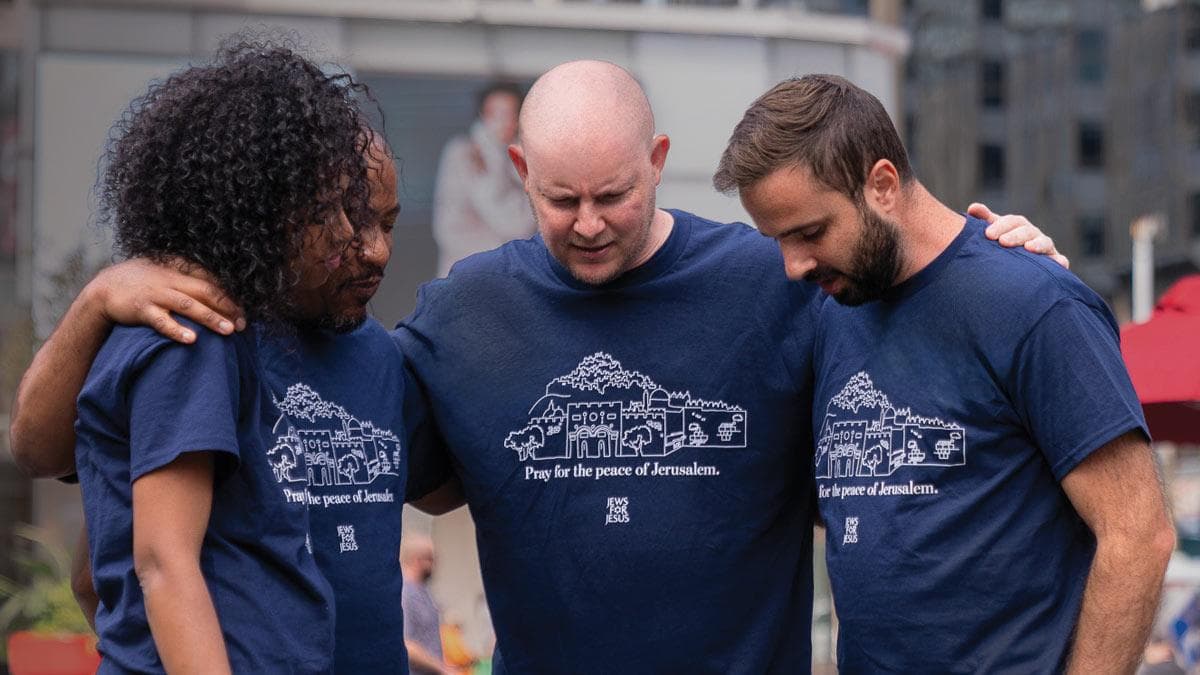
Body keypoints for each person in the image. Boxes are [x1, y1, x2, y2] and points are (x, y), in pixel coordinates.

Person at [11, 60, 1060, 673]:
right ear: (518, 174)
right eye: (561, 200)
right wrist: (101, 299)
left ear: (657, 163)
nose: (591, 224)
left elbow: (903, 333)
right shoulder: (452, 316)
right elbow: (80, 462)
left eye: (615, 194)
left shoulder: (776, 280)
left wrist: (984, 257)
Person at [716, 73, 1175, 673]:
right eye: (777, 240)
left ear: (882, 186)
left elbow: (1139, 534)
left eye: (811, 233)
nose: (793, 265)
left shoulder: (1033, 303)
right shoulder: (834, 309)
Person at [53, 39, 381, 673]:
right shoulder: (194, 336)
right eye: (325, 209)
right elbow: (163, 561)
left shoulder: (218, 333)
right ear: (262, 210)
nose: (347, 232)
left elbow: (92, 573)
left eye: (351, 206)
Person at [431, 82, 535, 276]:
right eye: (494, 112)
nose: (501, 121)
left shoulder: (527, 160)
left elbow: (523, 226)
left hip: (510, 278)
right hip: (463, 276)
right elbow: (448, 227)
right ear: (482, 114)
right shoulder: (461, 153)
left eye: (509, 113)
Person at [400, 535, 465, 675]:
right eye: (431, 560)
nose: (435, 565)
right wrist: (443, 669)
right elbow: (406, 644)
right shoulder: (405, 593)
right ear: (418, 560)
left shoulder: (423, 592)